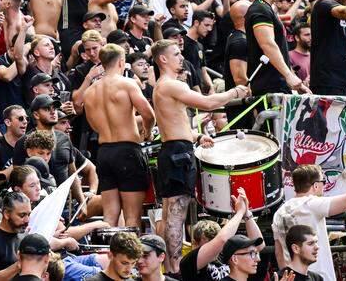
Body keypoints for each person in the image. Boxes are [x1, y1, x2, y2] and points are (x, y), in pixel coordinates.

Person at [151, 38, 248, 273]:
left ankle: (170, 267)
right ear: (163, 59)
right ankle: (175, 269)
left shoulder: (164, 86)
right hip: (177, 153)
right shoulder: (170, 85)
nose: (181, 57)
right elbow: (208, 102)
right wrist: (234, 92)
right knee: (176, 214)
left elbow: (174, 123)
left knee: (170, 213)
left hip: (174, 149)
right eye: (176, 53)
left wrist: (196, 136)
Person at [271, 149, 346, 281]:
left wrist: (286, 276)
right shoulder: (311, 203)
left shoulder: (279, 212)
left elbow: (279, 253)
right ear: (315, 186)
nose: (324, 186)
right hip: (315, 276)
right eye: (323, 182)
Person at [83, 43, 154, 227]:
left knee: (109, 217)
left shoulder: (89, 92)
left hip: (104, 152)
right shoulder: (127, 84)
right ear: (121, 62)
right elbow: (149, 115)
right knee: (132, 216)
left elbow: (94, 126)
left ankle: (109, 247)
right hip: (127, 151)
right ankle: (130, 247)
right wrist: (147, 132)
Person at [247, 0, 309, 95]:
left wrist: (294, 79)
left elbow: (279, 49)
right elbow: (268, 44)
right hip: (269, 88)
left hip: (277, 85)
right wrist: (289, 76)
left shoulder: (266, 9)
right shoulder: (260, 9)